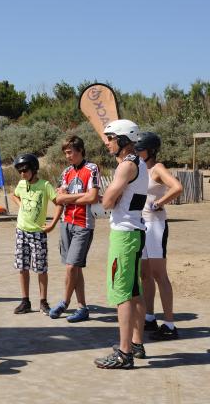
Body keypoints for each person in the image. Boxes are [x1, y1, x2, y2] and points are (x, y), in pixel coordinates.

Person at [94, 119, 148, 369]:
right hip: (135, 232)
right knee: (134, 291)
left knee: (122, 293)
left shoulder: (126, 167)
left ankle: (124, 353)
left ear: (124, 139)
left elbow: (106, 203)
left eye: (111, 138)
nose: (107, 143)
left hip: (124, 235)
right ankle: (136, 343)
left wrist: (110, 199)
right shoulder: (140, 163)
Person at [135, 132, 183, 340]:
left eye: (140, 149)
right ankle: (149, 317)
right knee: (144, 274)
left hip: (155, 225)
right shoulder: (138, 169)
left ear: (151, 150)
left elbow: (177, 187)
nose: (137, 152)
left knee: (159, 274)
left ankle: (170, 325)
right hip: (141, 225)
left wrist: (159, 203)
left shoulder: (157, 168)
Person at [49, 136, 100, 323]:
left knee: (71, 267)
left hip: (83, 224)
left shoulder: (92, 168)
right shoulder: (66, 172)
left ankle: (64, 301)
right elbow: (58, 199)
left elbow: (93, 198)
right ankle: (82, 307)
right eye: (65, 153)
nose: (67, 156)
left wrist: (69, 197)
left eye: (70, 152)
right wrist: (78, 196)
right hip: (65, 223)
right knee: (75, 268)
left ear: (80, 150)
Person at [10, 153, 62, 315]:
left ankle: (43, 302)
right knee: (22, 267)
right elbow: (14, 195)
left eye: (25, 170)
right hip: (21, 231)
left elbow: (59, 203)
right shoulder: (21, 184)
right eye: (19, 171)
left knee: (41, 269)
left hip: (38, 233)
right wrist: (21, 205)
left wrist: (52, 224)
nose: (22, 174)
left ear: (33, 169)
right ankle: (25, 301)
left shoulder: (45, 185)